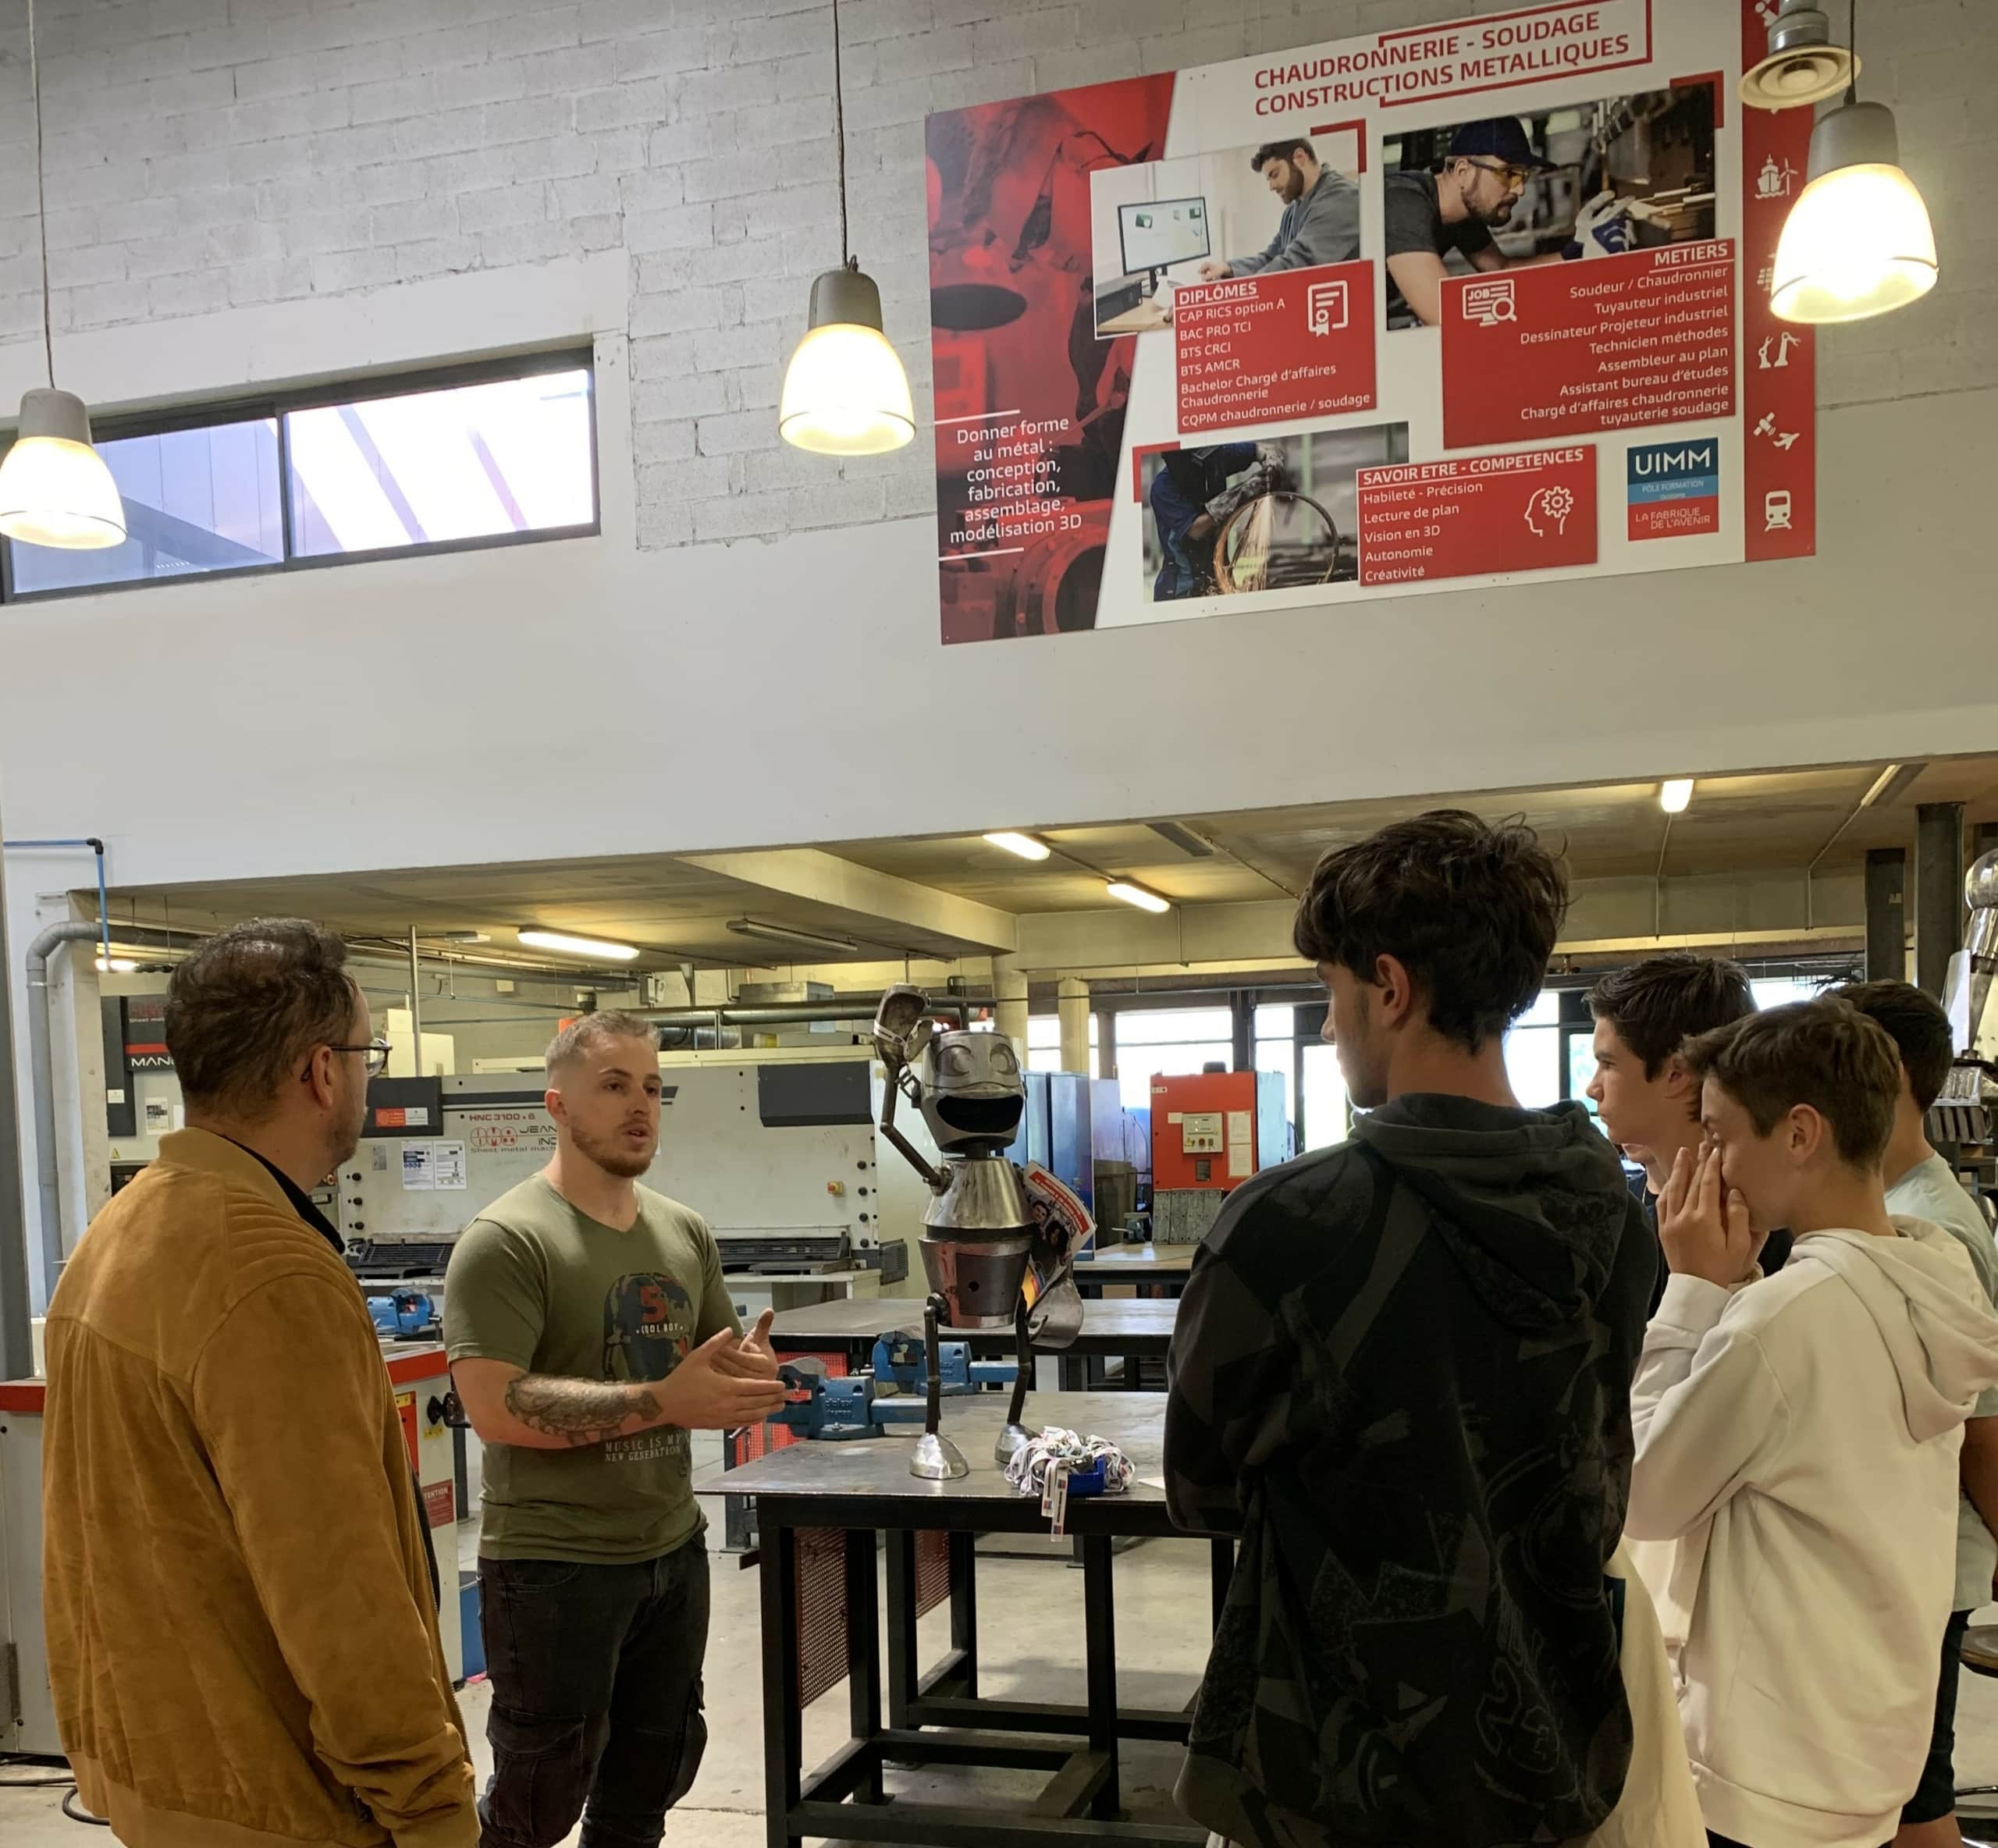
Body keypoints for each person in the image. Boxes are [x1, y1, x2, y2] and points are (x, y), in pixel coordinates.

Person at [1165, 811, 1658, 1848]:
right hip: (1548, 1758)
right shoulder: (1619, 1217)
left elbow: (1202, 1487)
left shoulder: (1289, 1224)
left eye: (1330, 993)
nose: (1326, 1028)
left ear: (1389, 988)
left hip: (1334, 1779)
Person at [41, 919, 478, 1848]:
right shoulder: (268, 1272)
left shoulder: (115, 1234)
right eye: (367, 1055)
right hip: (282, 1806)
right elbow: (337, 1593)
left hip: (163, 1779)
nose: (367, 1077)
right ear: (322, 1072)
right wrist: (432, 1806)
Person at [1626, 1001, 1998, 1848]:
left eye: (1719, 1134)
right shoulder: (1933, 1271)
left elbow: (1644, 1494)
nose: (1710, 1161)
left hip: (1767, 1764)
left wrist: (1692, 1293)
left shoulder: (1786, 1320)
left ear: (1799, 1133)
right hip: (1869, 1735)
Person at [445, 1011, 786, 1848]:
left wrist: (748, 1370)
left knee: (649, 1783)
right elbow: (495, 1406)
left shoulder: (683, 1230)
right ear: (557, 1104)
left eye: (653, 1089)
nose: (641, 1105)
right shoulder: (506, 1241)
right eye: (614, 1086)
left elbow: (713, 1361)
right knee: (537, 1802)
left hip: (671, 1550)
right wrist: (665, 1400)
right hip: (555, 1565)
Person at [1832, 980, 1998, 1848]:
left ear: (1886, 1073)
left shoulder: (1930, 1223)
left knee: (1912, 1802)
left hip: (1934, 1561)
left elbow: (1979, 1424)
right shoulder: (1896, 1206)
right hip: (1913, 1555)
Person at [1586, 954, 1790, 1302]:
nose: (1593, 1088)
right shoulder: (1622, 1213)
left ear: (1676, 1074)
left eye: (1608, 1064)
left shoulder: (1762, 1225)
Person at [1385, 116, 1633, 326]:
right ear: (1463, 172)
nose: (1520, 190)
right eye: (1509, 174)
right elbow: (1447, 319)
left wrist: (1578, 249)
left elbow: (1502, 269)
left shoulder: (1462, 216)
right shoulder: (1404, 203)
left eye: (1523, 176)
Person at [1196, 137, 1359, 280]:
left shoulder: (1341, 199)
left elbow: (1296, 263)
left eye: (1275, 175)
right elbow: (1270, 258)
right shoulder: (1293, 210)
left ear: (1300, 158)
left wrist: (1243, 291)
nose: (1272, 186)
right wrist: (1227, 268)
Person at [1149, 441, 1286, 599]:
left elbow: (1259, 449)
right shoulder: (1163, 489)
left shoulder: (1214, 458)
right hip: (1182, 590)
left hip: (1220, 579)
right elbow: (1196, 530)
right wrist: (1241, 494)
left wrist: (1270, 459)